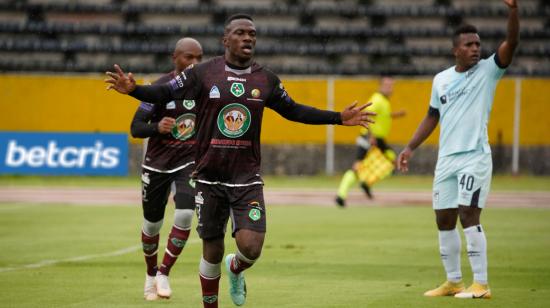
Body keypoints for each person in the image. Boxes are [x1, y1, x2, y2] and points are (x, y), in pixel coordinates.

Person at [105, 14, 375, 308]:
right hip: (208, 178)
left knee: (252, 248)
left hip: (246, 178)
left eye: (253, 34)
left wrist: (337, 118)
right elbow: (163, 91)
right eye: (241, 33)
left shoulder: (266, 79)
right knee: (212, 250)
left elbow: (295, 111)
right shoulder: (203, 73)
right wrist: (135, 91)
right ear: (226, 40)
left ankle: (236, 268)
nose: (248, 38)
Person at [397, 0, 519, 299]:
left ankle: (482, 284)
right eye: (469, 44)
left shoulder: (489, 71)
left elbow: (512, 42)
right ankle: (453, 282)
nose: (476, 48)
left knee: (468, 214)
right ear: (456, 50)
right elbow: (431, 116)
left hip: (474, 158)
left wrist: (514, 11)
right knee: (444, 219)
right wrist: (410, 147)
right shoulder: (441, 80)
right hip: (447, 160)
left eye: (478, 43)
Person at [131, 37, 203, 301]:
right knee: (152, 225)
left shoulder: (205, 87)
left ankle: (164, 272)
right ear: (175, 57)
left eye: (199, 58)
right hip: (157, 164)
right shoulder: (160, 88)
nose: (194, 63)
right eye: (188, 57)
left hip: (188, 162)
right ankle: (150, 273)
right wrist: (156, 127)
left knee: (185, 215)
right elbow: (136, 127)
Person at [335, 76, 405, 207]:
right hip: (370, 137)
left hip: (379, 139)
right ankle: (341, 195)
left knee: (392, 161)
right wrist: (370, 136)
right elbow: (365, 116)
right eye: (387, 85)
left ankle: (366, 182)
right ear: (380, 86)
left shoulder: (384, 101)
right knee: (358, 166)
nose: (390, 88)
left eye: (391, 85)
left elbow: (381, 117)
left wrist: (395, 115)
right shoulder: (377, 99)